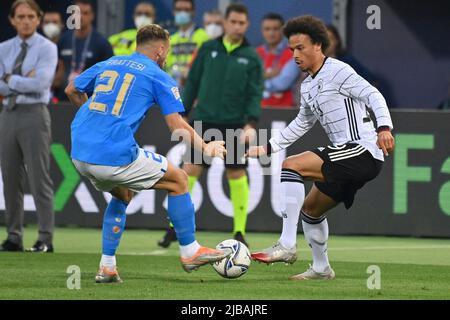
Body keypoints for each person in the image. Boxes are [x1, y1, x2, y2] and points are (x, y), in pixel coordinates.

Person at [64, 24, 231, 283]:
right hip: (111, 153)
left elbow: (72, 89)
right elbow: (176, 125)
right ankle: (189, 251)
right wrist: (207, 147)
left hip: (80, 152)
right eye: (167, 52)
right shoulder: (158, 75)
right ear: (160, 50)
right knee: (179, 180)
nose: (166, 57)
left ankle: (107, 266)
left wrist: (96, 120)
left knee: (122, 193)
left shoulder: (111, 61)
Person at [247, 15, 395, 280]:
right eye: (291, 49)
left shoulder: (338, 70)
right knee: (310, 211)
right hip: (345, 156)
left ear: (318, 45)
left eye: (300, 48)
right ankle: (321, 268)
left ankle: (287, 244)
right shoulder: (307, 86)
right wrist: (269, 146)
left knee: (292, 165)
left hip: (362, 150)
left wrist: (384, 127)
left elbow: (373, 94)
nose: (294, 55)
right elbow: (301, 123)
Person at [157, 3, 263, 249]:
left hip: (235, 123)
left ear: (247, 25)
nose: (237, 26)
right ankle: (175, 227)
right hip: (203, 120)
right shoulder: (207, 49)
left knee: (236, 172)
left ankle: (239, 230)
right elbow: (192, 81)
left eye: (242, 23)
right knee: (189, 171)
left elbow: (255, 92)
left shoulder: (252, 57)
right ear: (225, 22)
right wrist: (180, 113)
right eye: (233, 21)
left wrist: (251, 122)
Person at [0, 0, 57, 253]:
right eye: (20, 16)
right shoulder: (2, 48)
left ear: (38, 19)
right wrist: (24, 79)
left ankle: (45, 238)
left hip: (35, 113)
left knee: (38, 177)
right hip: (9, 112)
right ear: (12, 20)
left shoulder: (47, 48)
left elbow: (42, 83)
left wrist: (10, 78)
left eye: (30, 16)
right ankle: (14, 237)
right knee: (10, 178)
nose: (25, 21)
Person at [54, 0, 113, 101]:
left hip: (90, 100)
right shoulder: (63, 40)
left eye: (85, 13)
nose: (80, 17)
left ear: (92, 16)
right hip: (63, 99)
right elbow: (58, 69)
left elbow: (109, 75)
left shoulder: (102, 43)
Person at [256, 13, 300, 108]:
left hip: (284, 111)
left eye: (275, 29)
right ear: (262, 31)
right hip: (259, 110)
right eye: (267, 29)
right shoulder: (257, 53)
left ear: (283, 30)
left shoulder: (293, 53)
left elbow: (282, 84)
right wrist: (268, 75)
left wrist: (257, 81)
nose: (271, 33)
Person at [165, 0, 209, 88]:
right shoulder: (170, 39)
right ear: (173, 12)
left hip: (194, 88)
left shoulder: (204, 37)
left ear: (193, 12)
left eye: (186, 10)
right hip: (172, 88)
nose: (182, 13)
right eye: (178, 9)